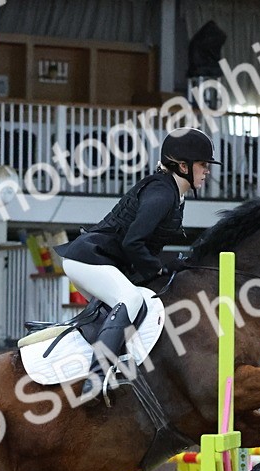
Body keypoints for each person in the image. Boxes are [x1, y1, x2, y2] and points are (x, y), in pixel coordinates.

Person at [57, 127, 220, 398]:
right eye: (203, 165)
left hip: (101, 260)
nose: (207, 171)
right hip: (89, 259)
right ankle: (96, 379)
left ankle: (119, 366)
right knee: (131, 301)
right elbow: (132, 243)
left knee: (136, 304)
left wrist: (167, 264)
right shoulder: (162, 193)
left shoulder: (173, 193)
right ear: (182, 166)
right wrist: (160, 266)